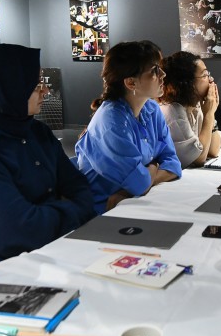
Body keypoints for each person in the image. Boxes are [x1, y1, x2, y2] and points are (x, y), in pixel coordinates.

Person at [0, 44, 95, 264]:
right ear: (6, 89)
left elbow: (82, 191)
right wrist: (69, 208)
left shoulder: (37, 131)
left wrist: (44, 212)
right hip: (11, 269)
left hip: (63, 250)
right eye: (36, 85)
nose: (46, 91)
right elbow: (19, 233)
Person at [75, 41, 182, 214]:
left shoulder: (151, 108)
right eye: (155, 70)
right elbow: (140, 184)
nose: (163, 74)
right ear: (131, 83)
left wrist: (133, 187)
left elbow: (173, 164)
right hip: (102, 211)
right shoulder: (111, 122)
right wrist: (154, 166)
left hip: (130, 200)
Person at [159, 51, 221, 168]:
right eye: (204, 75)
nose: (211, 80)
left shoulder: (196, 106)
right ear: (188, 83)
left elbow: (213, 150)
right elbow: (199, 158)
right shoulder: (173, 112)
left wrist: (211, 112)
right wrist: (209, 114)